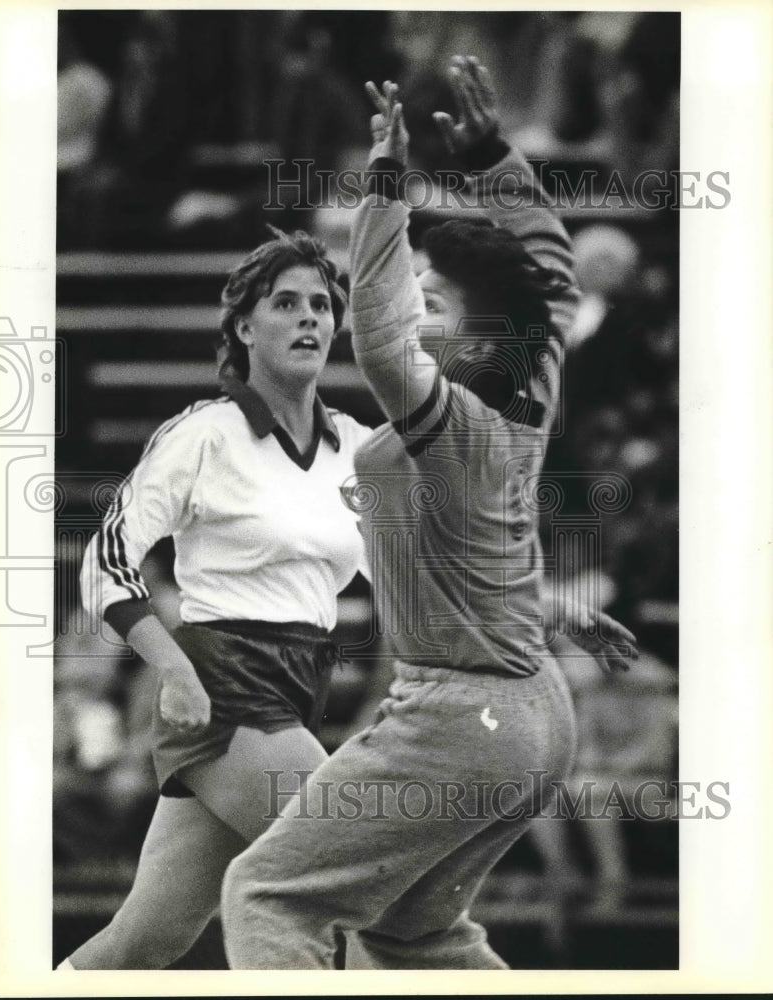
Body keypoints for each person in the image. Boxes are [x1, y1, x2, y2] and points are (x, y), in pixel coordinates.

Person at [221, 57, 636, 970]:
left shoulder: (450, 413)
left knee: (266, 893)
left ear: (469, 323)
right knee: (413, 933)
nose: (416, 308)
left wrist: (386, 185)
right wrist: (492, 158)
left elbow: (371, 327)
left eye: (431, 296)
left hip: (459, 718)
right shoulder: (534, 370)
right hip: (532, 712)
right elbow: (552, 264)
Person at [57, 227, 375, 969]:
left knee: (146, 939)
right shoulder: (204, 433)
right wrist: (174, 669)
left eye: (322, 306)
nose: (309, 319)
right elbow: (106, 561)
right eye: (286, 303)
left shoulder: (358, 445)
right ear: (243, 327)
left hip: (302, 682)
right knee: (366, 884)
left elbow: (429, 559)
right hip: (225, 683)